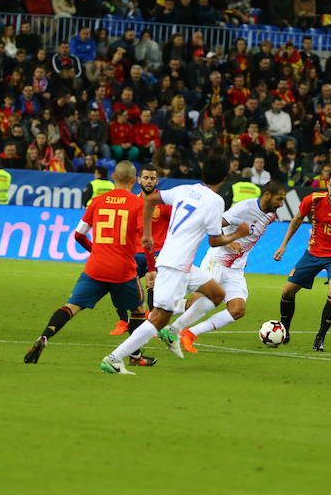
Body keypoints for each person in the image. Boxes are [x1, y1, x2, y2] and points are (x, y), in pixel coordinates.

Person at [99, 157, 250, 374]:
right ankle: (114, 358)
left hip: (181, 263)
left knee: (216, 294)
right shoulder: (216, 201)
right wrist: (239, 233)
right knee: (159, 317)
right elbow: (214, 241)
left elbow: (150, 199)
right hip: (175, 265)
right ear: (225, 178)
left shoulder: (185, 189)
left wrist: (148, 234)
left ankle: (174, 330)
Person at [23, 161, 156, 368]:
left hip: (96, 266)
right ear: (134, 180)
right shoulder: (138, 204)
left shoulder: (97, 201)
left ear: (113, 177)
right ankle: (135, 356)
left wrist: (95, 250)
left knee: (72, 307)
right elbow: (147, 242)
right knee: (138, 309)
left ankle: (44, 337)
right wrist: (152, 268)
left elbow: (78, 234)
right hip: (122, 269)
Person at [174, 181, 288, 353]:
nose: (281, 204)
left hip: (235, 268)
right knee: (196, 304)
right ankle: (156, 316)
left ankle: (189, 334)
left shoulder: (271, 215)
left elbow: (250, 237)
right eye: (279, 199)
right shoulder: (243, 208)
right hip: (217, 261)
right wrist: (229, 243)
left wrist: (243, 255)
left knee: (237, 309)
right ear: (267, 195)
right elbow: (214, 225)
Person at [273, 168, 331, 352]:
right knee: (287, 291)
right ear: (327, 184)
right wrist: (283, 245)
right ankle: (285, 329)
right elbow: (297, 220)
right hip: (314, 253)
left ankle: (320, 337)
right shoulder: (313, 200)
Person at [108, 165, 172, 336]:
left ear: (157, 181)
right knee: (116, 280)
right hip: (135, 252)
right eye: (146, 178)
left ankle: (152, 321)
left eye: (152, 178)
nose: (149, 181)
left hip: (158, 252)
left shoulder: (164, 203)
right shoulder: (133, 202)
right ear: (138, 180)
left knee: (154, 282)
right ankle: (124, 321)